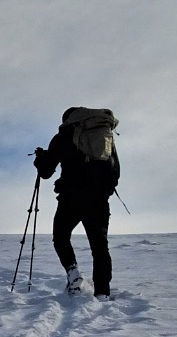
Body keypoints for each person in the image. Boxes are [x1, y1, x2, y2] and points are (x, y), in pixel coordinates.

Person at [34, 108, 120, 297]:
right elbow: (115, 169)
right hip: (97, 200)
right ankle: (103, 293)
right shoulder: (104, 135)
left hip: (70, 198)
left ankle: (72, 271)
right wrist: (104, 190)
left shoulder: (64, 135)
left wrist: (41, 159)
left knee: (61, 237)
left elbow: (46, 171)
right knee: (99, 247)